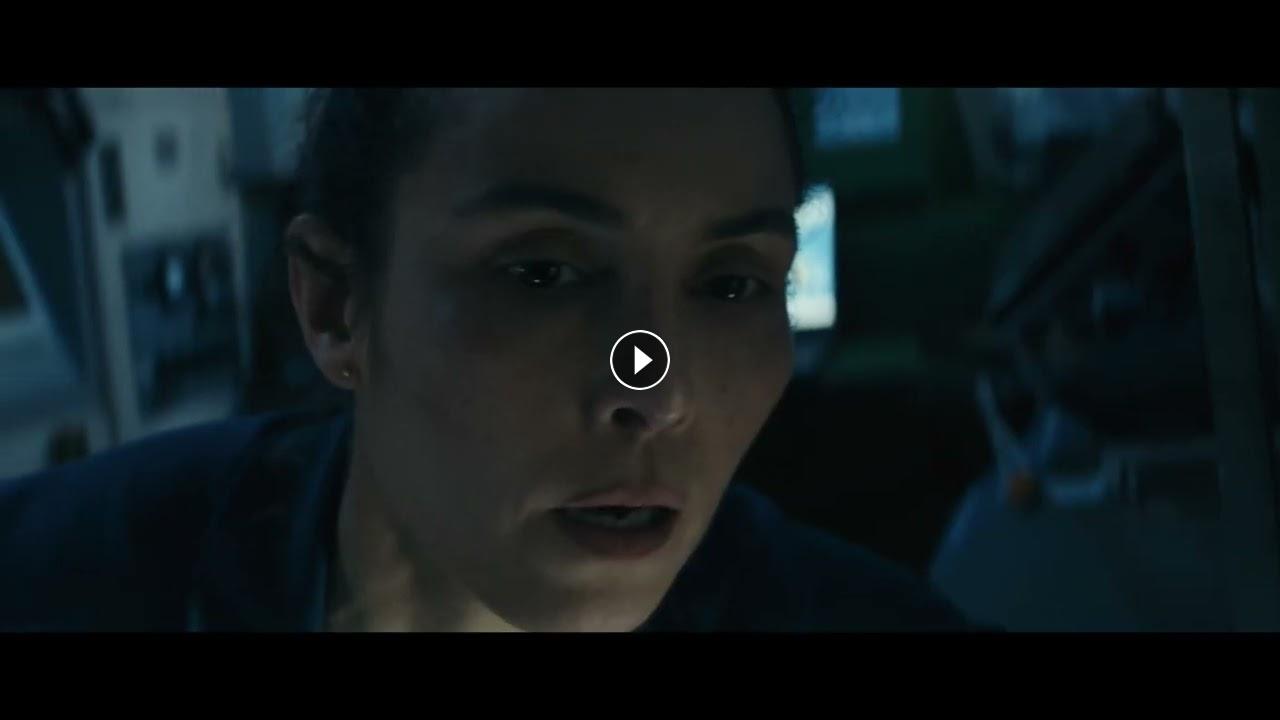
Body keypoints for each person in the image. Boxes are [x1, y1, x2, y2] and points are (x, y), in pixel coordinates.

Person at [0, 88, 972, 632]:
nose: (653, 388)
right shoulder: (52, 581)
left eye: (730, 284)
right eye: (544, 273)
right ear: (336, 308)